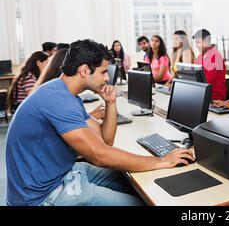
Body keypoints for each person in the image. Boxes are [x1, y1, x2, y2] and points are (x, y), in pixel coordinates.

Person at [5, 39, 194, 206]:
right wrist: (162, 161)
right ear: (84, 70)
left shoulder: (67, 95)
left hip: (60, 174)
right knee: (138, 201)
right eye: (104, 72)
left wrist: (110, 103)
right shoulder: (58, 99)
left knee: (135, 182)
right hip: (43, 195)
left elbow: (105, 141)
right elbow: (100, 155)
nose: (107, 77)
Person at [33, 48, 104, 120]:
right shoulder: (56, 95)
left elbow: (70, 118)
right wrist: (99, 115)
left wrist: (92, 114)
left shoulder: (50, 86)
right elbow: (69, 120)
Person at [193, 29, 226, 101]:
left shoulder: (216, 57)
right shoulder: (199, 57)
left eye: (198, 42)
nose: (196, 45)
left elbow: (207, 81)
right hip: (201, 94)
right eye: (196, 43)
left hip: (215, 98)